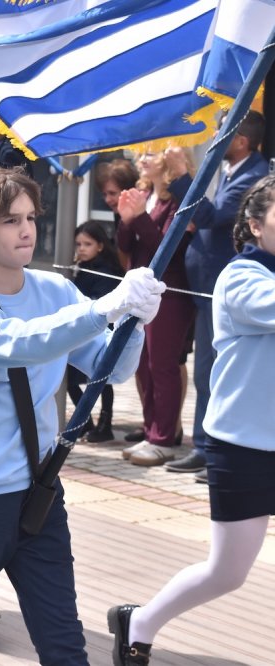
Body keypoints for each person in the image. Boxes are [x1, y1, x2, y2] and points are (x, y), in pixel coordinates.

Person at [0, 164, 163, 664]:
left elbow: (107, 369)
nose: (26, 229)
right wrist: (104, 308)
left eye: (30, 217)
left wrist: (134, 323)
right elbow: (25, 343)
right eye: (9, 220)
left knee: (63, 641)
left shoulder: (54, 290)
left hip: (39, 493)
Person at [107, 174, 275, 666]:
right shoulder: (242, 278)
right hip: (244, 445)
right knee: (227, 572)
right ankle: (139, 622)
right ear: (254, 224)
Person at [167, 110, 268, 476]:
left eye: (224, 128)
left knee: (216, 371)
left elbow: (211, 217)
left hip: (223, 290)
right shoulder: (234, 171)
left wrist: (182, 177)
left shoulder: (254, 177)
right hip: (205, 286)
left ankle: (216, 450)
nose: (216, 134)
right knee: (206, 370)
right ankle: (204, 445)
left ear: (241, 140)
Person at [117, 148, 195, 466]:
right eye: (142, 154)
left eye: (152, 153)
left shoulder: (177, 200)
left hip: (171, 293)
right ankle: (152, 431)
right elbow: (126, 244)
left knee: (162, 366)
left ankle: (163, 438)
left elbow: (166, 249)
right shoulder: (146, 195)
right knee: (143, 363)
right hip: (143, 291)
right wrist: (127, 220)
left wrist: (138, 218)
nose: (144, 158)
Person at [68, 220, 125, 442]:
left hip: (101, 331)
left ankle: (104, 424)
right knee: (71, 378)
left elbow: (102, 302)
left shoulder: (106, 271)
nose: (81, 248)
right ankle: (85, 422)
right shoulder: (83, 267)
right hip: (82, 329)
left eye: (87, 244)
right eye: (78, 244)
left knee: (101, 378)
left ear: (100, 246)